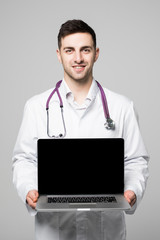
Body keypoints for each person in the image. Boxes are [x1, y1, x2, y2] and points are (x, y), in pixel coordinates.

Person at [12, 19, 149, 240]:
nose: (78, 58)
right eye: (70, 50)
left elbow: (135, 160)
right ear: (59, 54)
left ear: (96, 53)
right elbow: (24, 159)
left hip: (106, 231)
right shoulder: (36, 107)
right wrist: (29, 188)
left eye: (85, 50)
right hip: (53, 231)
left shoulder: (122, 107)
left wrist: (132, 190)